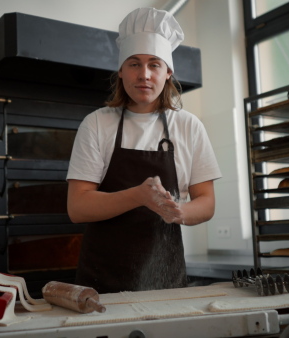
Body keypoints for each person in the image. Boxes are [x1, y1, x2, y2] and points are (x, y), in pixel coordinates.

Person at [66, 7, 222, 294]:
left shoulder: (189, 127)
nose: (145, 75)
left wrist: (179, 212)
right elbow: (77, 207)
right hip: (100, 284)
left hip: (166, 282)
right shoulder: (97, 124)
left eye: (154, 64)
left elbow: (207, 202)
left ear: (168, 72)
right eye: (134, 64)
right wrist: (138, 196)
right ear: (121, 70)